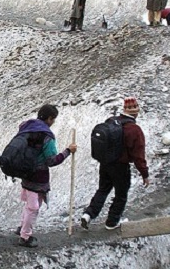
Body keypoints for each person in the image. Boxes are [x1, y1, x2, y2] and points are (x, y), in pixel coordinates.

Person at [81, 97, 149, 230]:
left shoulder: (112, 121)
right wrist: (144, 174)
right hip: (121, 166)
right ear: (136, 111)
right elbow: (138, 156)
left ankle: (88, 214)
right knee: (121, 194)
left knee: (103, 189)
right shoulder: (134, 129)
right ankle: (112, 222)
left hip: (105, 163)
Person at [16, 105, 77, 247]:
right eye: (53, 119)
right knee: (34, 207)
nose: (53, 122)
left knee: (30, 205)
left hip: (25, 172)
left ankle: (22, 228)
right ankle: (25, 236)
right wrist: (68, 151)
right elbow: (51, 160)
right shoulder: (46, 136)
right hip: (38, 176)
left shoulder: (27, 127)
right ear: (49, 118)